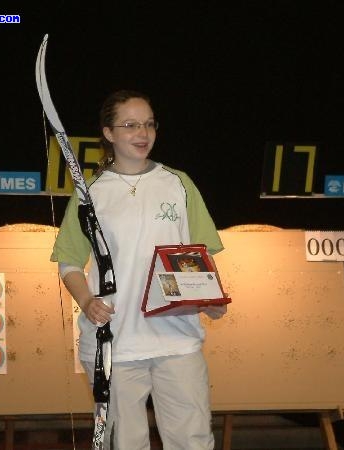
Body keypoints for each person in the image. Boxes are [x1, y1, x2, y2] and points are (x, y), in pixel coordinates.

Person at [51, 90, 227, 449]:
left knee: (193, 441)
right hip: (113, 343)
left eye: (148, 124)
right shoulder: (91, 193)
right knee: (125, 443)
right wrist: (86, 301)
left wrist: (210, 297)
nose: (142, 133)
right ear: (109, 133)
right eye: (130, 125)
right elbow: (69, 260)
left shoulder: (178, 183)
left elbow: (201, 253)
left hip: (177, 339)